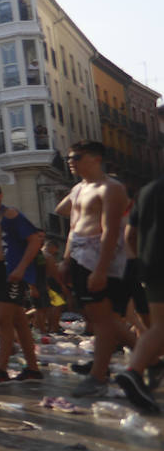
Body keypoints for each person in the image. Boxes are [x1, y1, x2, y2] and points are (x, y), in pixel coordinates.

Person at [58, 141, 135, 397]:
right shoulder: (79, 188)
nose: (70, 161)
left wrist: (101, 269)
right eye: (69, 157)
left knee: (103, 320)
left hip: (101, 258)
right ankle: (149, 358)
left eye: (76, 157)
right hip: (80, 255)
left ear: (95, 158)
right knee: (97, 317)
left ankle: (98, 377)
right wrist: (67, 260)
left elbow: (112, 230)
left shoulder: (111, 188)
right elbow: (72, 225)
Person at [0, 181, 44, 386]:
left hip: (11, 269)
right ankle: (32, 369)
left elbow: (34, 240)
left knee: (3, 318)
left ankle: (2, 370)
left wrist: (21, 268)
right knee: (19, 321)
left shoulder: (11, 214)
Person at [118, 175, 164, 413]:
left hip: (151, 265)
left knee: (159, 326)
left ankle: (136, 371)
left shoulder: (147, 190)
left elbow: (129, 235)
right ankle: (137, 371)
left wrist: (138, 261)